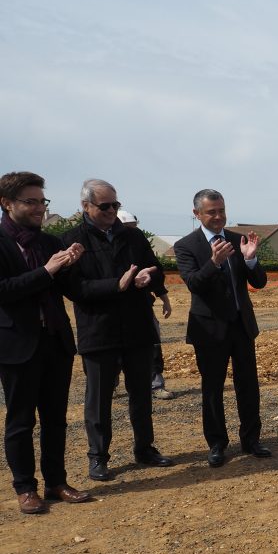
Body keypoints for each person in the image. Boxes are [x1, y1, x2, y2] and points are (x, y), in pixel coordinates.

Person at [63, 179, 174, 482]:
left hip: (137, 327)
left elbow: (155, 269)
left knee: (141, 393)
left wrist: (149, 279)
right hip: (99, 331)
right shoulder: (72, 240)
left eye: (116, 205)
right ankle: (98, 457)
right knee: (98, 399)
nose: (112, 210)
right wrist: (118, 284)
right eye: (105, 206)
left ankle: (145, 448)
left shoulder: (133, 237)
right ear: (86, 206)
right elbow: (74, 287)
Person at [0, 171, 92, 512]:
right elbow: (4, 291)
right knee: (21, 421)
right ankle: (25, 488)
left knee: (55, 418)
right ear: (7, 203)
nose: (40, 208)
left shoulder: (49, 243)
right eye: (31, 201)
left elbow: (67, 290)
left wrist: (70, 266)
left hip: (55, 341)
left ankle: (56, 482)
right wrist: (47, 271)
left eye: (42, 201)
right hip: (17, 344)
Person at [174, 189, 270, 467]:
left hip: (241, 325)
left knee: (248, 386)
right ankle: (217, 443)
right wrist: (214, 262)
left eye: (221, 210)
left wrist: (251, 258)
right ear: (197, 215)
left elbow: (260, 282)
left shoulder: (236, 240)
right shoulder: (186, 246)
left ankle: (251, 440)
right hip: (209, 329)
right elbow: (193, 283)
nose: (218, 216)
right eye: (211, 212)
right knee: (212, 389)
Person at [116, 209, 175, 399]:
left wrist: (164, 298)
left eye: (133, 227)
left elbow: (155, 270)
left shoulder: (138, 242)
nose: (131, 231)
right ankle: (110, 384)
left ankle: (156, 384)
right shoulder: (107, 247)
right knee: (113, 348)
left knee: (152, 344)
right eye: (128, 227)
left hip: (141, 306)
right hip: (113, 308)